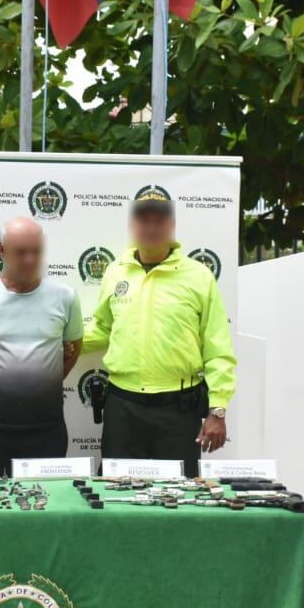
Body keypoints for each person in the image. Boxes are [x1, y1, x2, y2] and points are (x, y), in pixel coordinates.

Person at [82, 189, 236, 475]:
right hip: (123, 406)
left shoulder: (199, 276)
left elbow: (217, 348)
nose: (151, 228)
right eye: (144, 220)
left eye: (159, 220)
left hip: (178, 410)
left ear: (171, 226)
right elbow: (102, 328)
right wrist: (60, 342)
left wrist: (217, 410)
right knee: (117, 497)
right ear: (133, 226)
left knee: (180, 500)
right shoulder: (116, 272)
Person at [0, 217, 84, 476]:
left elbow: (73, 348)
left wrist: (46, 376)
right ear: (1, 250)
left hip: (48, 428)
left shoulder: (65, 296)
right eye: (21, 252)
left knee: (48, 508)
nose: (30, 260)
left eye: (36, 251)